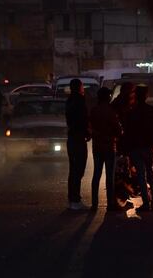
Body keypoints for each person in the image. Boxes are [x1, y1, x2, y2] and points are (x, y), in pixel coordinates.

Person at [125, 85, 153, 211]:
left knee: (141, 175)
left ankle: (146, 203)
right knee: (151, 173)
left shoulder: (131, 112)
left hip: (135, 147)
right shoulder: (152, 111)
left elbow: (127, 132)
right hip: (148, 147)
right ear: (146, 96)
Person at [90, 87, 122, 211]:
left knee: (96, 175)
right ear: (108, 97)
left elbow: (91, 127)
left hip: (97, 146)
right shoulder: (111, 111)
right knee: (110, 177)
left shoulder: (94, 110)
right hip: (110, 146)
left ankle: (94, 203)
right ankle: (110, 204)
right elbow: (118, 130)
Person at [111, 81, 136, 210]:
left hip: (122, 142)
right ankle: (122, 198)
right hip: (124, 143)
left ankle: (124, 198)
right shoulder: (125, 105)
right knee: (123, 172)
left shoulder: (117, 103)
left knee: (122, 172)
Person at [65, 78, 90, 210]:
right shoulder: (79, 101)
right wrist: (87, 132)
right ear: (79, 87)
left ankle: (73, 199)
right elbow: (82, 119)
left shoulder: (69, 100)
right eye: (82, 87)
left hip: (73, 138)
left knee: (74, 169)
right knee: (78, 169)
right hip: (77, 139)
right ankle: (75, 200)